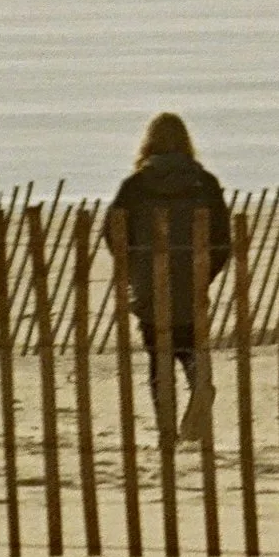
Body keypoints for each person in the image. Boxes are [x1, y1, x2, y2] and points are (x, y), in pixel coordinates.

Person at [104, 112, 231, 438]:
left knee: (159, 360)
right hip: (192, 282)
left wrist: (135, 269)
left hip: (150, 283)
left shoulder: (135, 185)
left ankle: (167, 433)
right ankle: (200, 385)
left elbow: (113, 232)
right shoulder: (205, 183)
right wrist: (204, 274)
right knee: (190, 347)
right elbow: (222, 240)